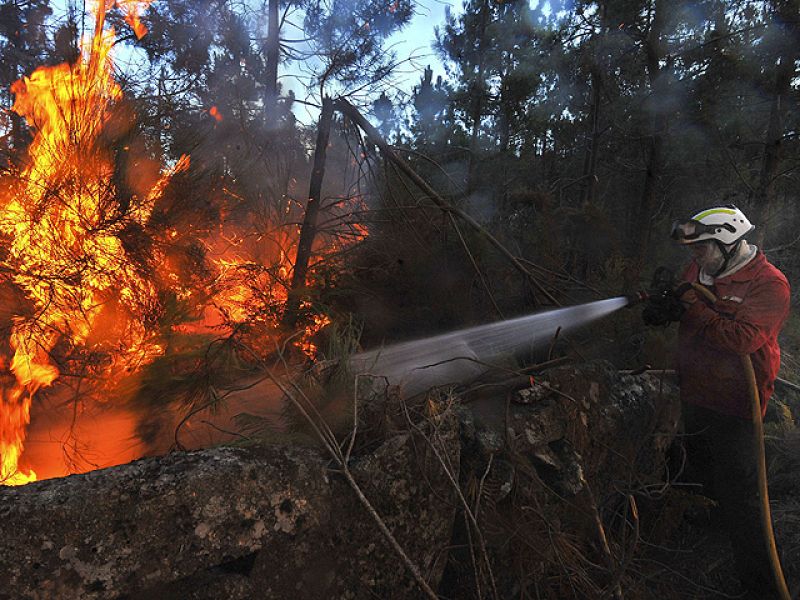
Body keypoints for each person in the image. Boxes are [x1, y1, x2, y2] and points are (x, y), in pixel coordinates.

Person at [670, 205, 791, 598]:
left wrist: (694, 310)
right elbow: (686, 297)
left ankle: (759, 586)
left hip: (740, 404)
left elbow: (742, 340)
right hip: (696, 391)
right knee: (698, 470)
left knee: (743, 499)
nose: (694, 258)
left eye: (701, 248)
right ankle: (706, 551)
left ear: (727, 243)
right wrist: (665, 306)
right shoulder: (701, 269)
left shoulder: (769, 284)